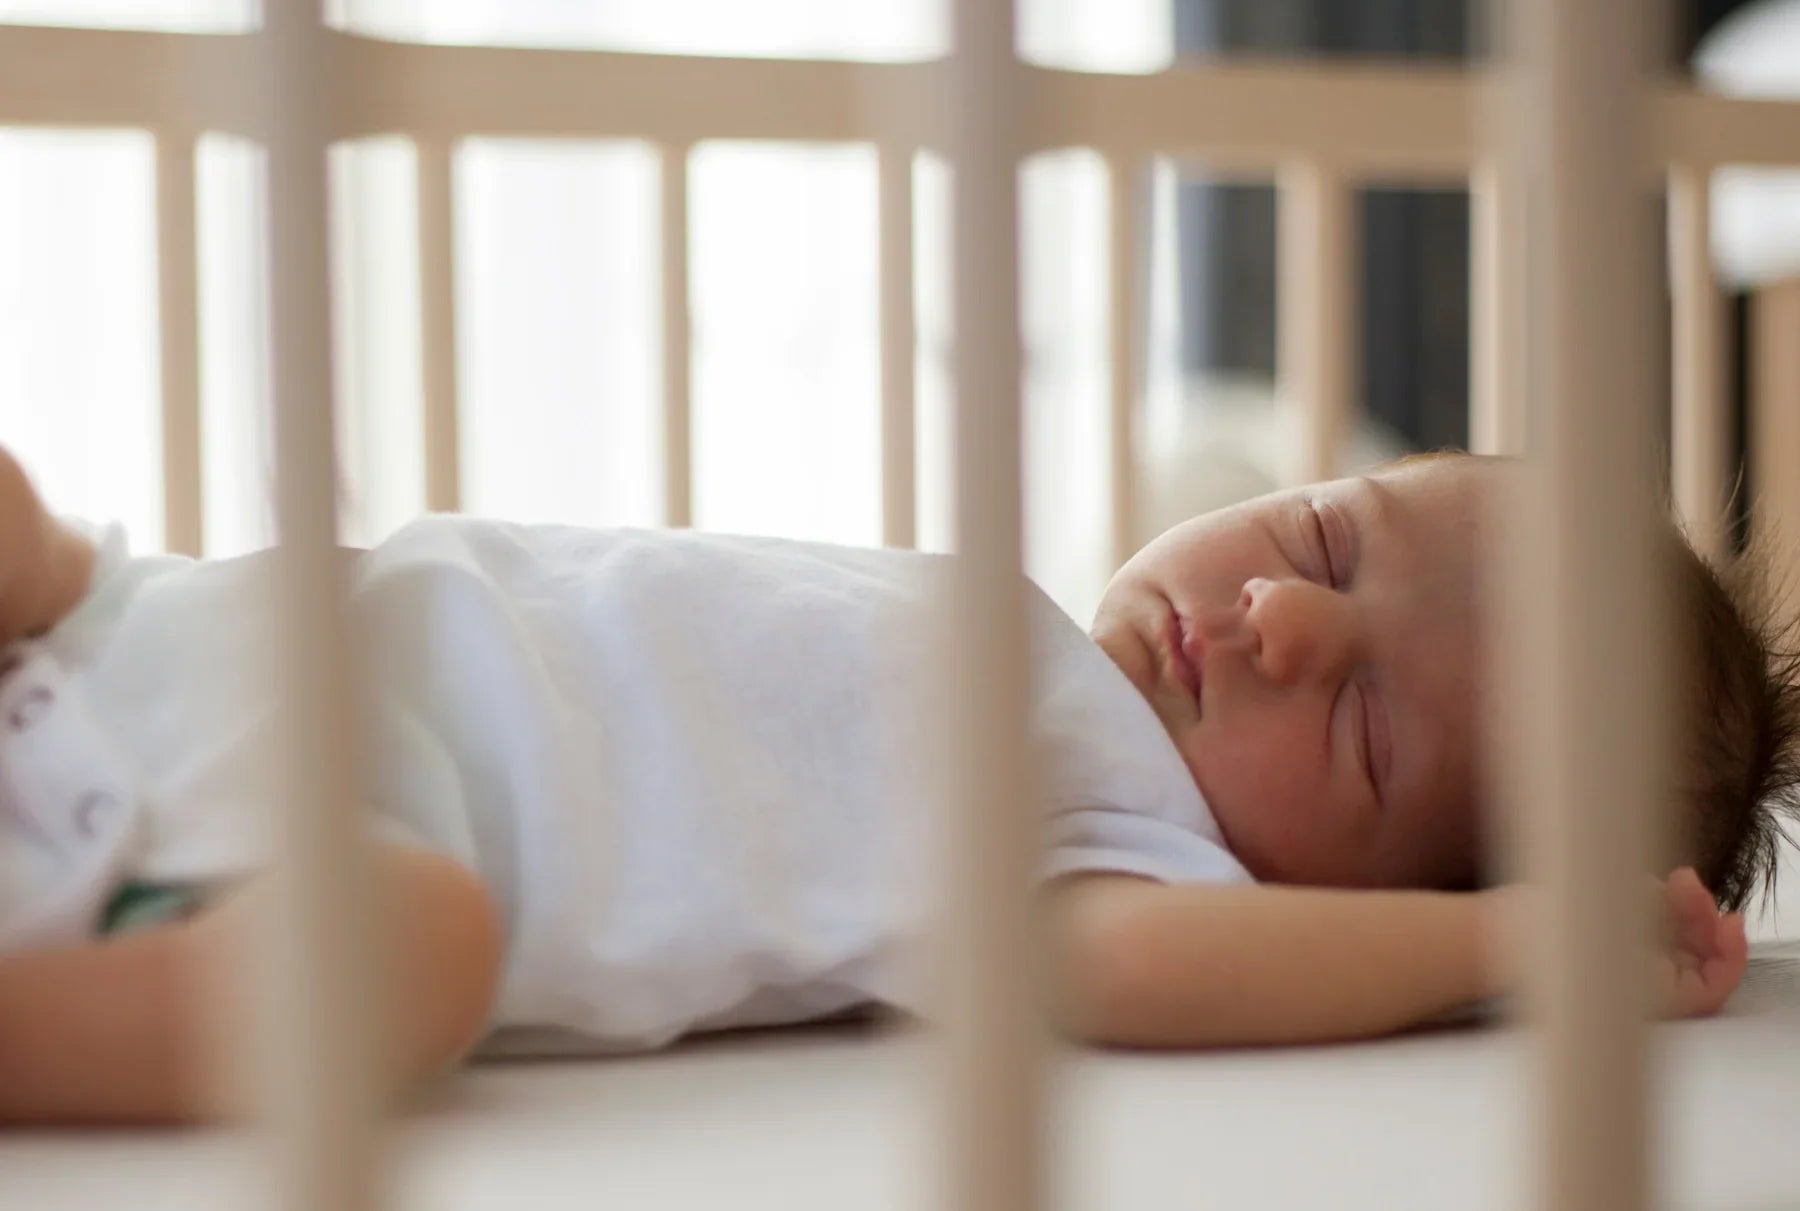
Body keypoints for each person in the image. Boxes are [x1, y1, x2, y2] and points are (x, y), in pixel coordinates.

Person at [0, 447, 1781, 1124]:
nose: (1281, 620)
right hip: (179, 623)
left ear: (1357, 902)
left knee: (414, 958)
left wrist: (1514, 937)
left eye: (1371, 735)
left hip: (321, 848)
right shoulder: (1018, 637)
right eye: (1324, 534)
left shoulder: (1128, 836)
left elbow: (1115, 977)